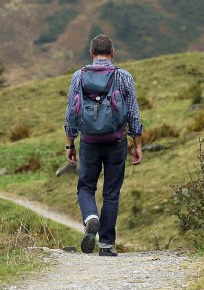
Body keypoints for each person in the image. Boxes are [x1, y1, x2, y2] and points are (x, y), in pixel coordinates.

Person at [64, 34, 142, 256]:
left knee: (86, 187)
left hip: (89, 141)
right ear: (112, 53)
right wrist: (137, 143)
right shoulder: (124, 77)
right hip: (116, 140)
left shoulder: (78, 77)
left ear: (91, 54)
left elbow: (71, 112)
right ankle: (106, 245)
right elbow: (134, 113)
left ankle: (91, 217)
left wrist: (70, 144)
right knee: (111, 193)